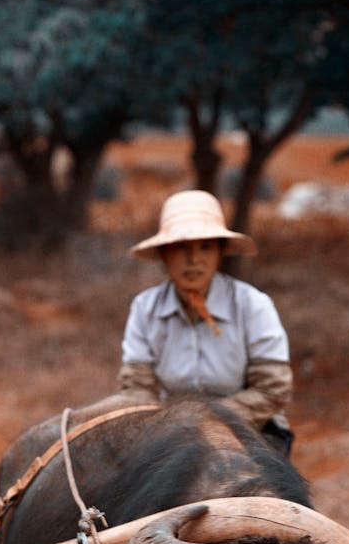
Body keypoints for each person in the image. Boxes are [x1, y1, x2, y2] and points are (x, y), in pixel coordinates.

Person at [117, 189, 294, 452]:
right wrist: (169, 425)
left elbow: (273, 389)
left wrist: (208, 422)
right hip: (172, 432)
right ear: (165, 254)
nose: (193, 260)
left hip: (250, 427)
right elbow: (137, 388)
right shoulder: (146, 308)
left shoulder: (252, 305)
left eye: (206, 247)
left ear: (220, 253)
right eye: (181, 247)